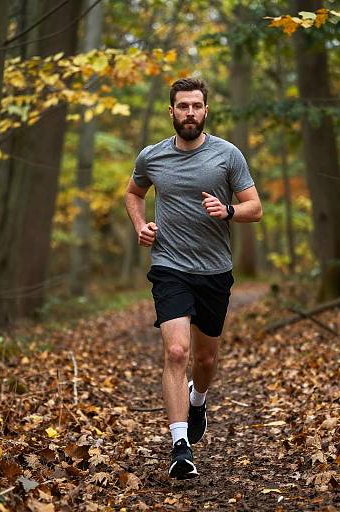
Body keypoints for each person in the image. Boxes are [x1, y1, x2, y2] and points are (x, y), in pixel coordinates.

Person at [124, 77, 262, 480]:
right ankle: (180, 445)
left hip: (214, 270)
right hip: (169, 266)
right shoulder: (152, 157)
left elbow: (255, 207)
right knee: (177, 353)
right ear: (171, 111)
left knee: (204, 359)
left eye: (195, 106)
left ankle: (197, 399)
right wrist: (140, 226)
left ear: (205, 111)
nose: (189, 113)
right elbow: (133, 194)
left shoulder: (227, 155)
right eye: (182, 106)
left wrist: (229, 212)